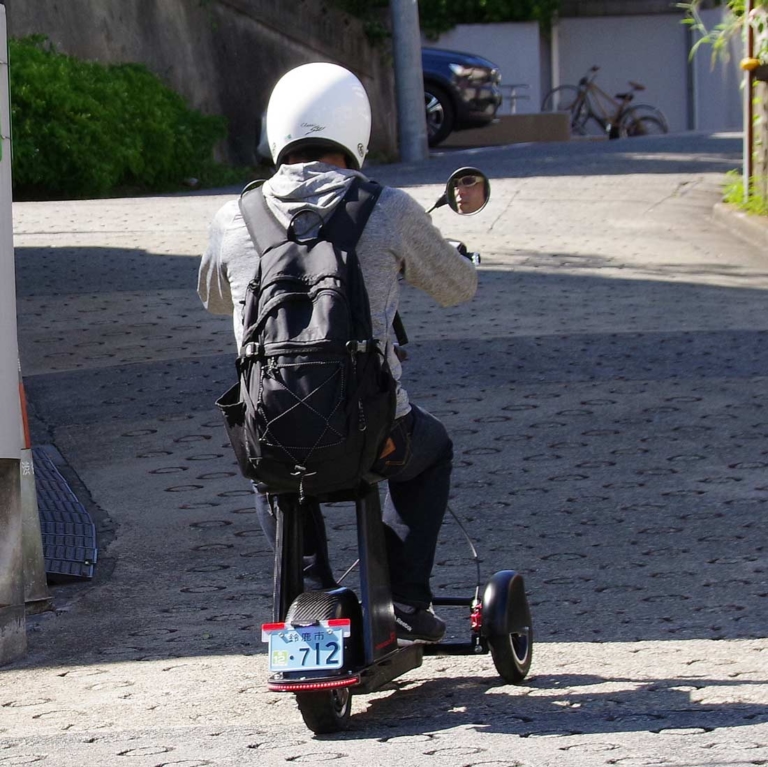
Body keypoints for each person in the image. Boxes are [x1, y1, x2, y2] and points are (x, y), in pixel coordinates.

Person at [198, 62, 477, 643]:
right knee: (435, 449)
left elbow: (213, 297)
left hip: (272, 432)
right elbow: (457, 287)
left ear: (278, 133)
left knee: (270, 478)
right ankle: (406, 597)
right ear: (357, 131)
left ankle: (313, 593)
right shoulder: (390, 207)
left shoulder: (235, 215)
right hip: (376, 437)